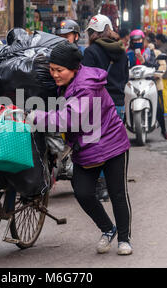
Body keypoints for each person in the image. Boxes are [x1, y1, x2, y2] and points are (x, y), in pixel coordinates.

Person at [29, 41, 133, 255]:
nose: (55, 74)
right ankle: (108, 229)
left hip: (112, 144)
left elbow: (70, 118)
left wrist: (36, 117)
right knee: (83, 193)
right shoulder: (65, 83)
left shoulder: (85, 86)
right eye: (52, 70)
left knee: (117, 193)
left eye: (59, 70)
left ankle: (124, 239)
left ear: (74, 69)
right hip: (86, 147)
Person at [81, 14, 129, 201]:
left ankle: (100, 187)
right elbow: (125, 77)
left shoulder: (91, 52)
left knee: (97, 145)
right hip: (117, 103)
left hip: (98, 104)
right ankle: (114, 185)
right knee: (114, 147)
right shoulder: (121, 51)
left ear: (93, 32)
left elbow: (85, 80)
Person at [127, 30, 167, 141]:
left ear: (143, 40)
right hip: (133, 82)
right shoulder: (127, 53)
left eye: (139, 40)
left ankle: (164, 131)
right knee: (125, 105)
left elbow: (157, 66)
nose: (137, 42)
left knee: (159, 108)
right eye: (135, 40)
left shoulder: (152, 52)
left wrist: (143, 61)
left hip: (150, 82)